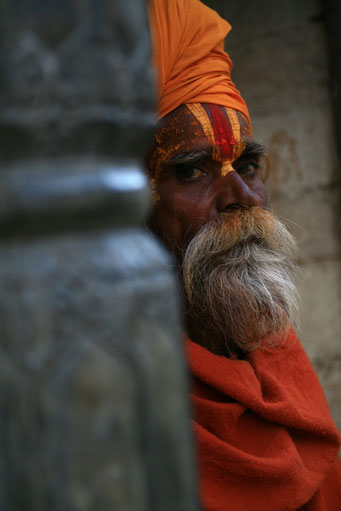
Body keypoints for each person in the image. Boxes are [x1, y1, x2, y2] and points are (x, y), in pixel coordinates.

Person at [147, 1, 341, 510]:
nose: (244, 197)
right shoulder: (103, 396)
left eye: (248, 165)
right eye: (192, 171)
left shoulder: (275, 346)